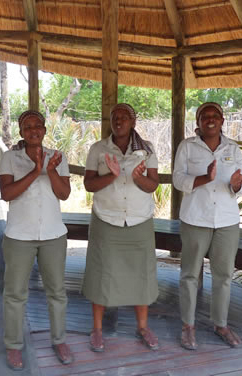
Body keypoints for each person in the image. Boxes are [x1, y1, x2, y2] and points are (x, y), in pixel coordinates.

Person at [82, 103, 160, 352]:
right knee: (101, 273)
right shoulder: (98, 149)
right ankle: (97, 329)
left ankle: (143, 327)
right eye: (115, 117)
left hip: (139, 220)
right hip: (106, 219)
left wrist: (138, 177)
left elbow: (153, 185)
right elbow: (89, 185)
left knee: (142, 274)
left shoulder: (147, 149)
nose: (119, 121)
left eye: (125, 117)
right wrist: (112, 176)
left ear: (133, 121)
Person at [0, 110, 73, 370]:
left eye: (38, 125)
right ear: (21, 132)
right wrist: (36, 170)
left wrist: (50, 171)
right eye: (27, 126)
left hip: (53, 234)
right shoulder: (10, 158)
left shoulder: (57, 157)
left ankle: (59, 340)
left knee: (57, 292)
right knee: (15, 294)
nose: (33, 130)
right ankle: (14, 345)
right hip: (19, 235)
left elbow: (64, 193)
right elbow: (7, 193)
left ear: (44, 129)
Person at [172, 102, 242, 350]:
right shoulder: (187, 146)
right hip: (195, 219)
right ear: (199, 122)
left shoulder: (233, 148)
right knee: (190, 275)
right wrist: (205, 178)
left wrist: (236, 184)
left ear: (222, 120)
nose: (211, 120)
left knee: (224, 275)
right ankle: (187, 326)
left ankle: (221, 324)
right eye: (205, 116)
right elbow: (178, 180)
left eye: (215, 116)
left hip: (226, 221)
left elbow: (240, 186)